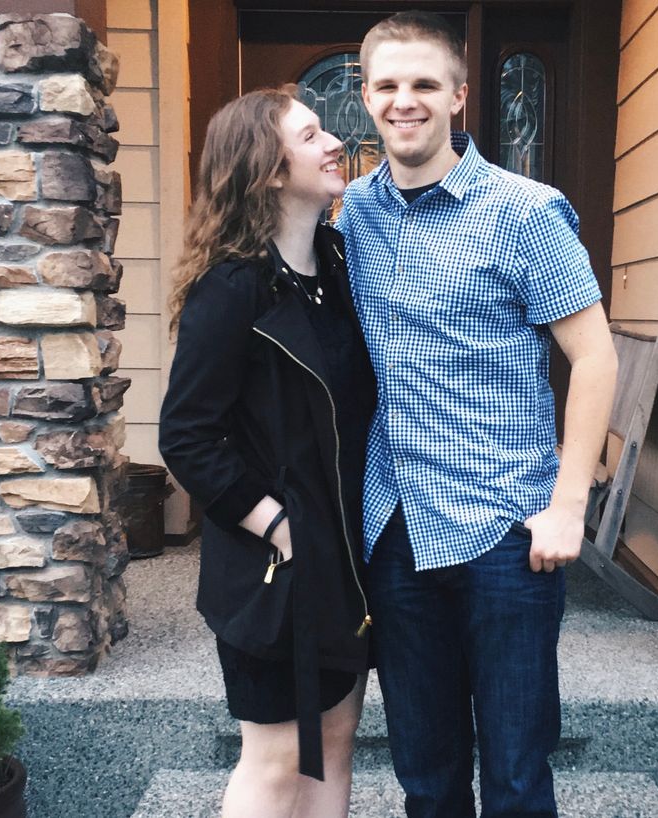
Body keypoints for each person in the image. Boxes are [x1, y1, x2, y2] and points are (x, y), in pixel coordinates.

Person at [335, 11, 619, 818]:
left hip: (506, 532)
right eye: (388, 86)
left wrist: (568, 507)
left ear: (459, 96)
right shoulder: (353, 214)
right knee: (425, 779)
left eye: (425, 84)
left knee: (517, 778)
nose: (406, 101)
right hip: (396, 529)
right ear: (366, 98)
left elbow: (595, 358)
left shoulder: (526, 211)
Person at [158, 86, 376, 818]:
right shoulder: (231, 288)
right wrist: (279, 527)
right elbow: (186, 435)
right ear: (270, 169)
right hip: (273, 569)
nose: (334, 142)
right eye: (310, 136)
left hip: (343, 559)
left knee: (336, 740)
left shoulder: (337, 270)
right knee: (278, 759)